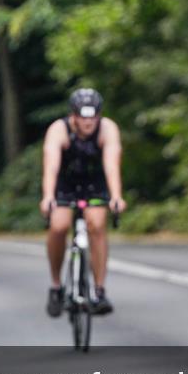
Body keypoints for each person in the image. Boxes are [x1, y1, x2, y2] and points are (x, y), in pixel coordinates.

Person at [42, 88, 126, 317]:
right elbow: (51, 166)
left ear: (99, 115)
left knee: (97, 225)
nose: (88, 122)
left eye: (93, 116)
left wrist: (116, 196)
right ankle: (57, 286)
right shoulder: (59, 130)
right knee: (58, 226)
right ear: (73, 115)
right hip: (65, 182)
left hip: (94, 182)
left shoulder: (107, 129)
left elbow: (111, 165)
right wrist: (48, 196)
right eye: (83, 116)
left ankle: (98, 290)